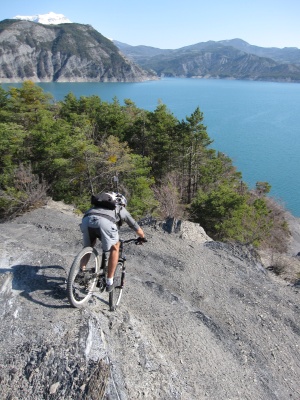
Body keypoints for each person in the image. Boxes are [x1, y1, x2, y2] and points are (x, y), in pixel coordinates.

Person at [80, 191, 146, 292]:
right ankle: (109, 281)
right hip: (105, 223)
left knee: (89, 246)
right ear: (122, 203)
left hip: (86, 219)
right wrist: (142, 237)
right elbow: (135, 227)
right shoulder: (121, 208)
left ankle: (81, 271)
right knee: (115, 247)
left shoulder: (98, 205)